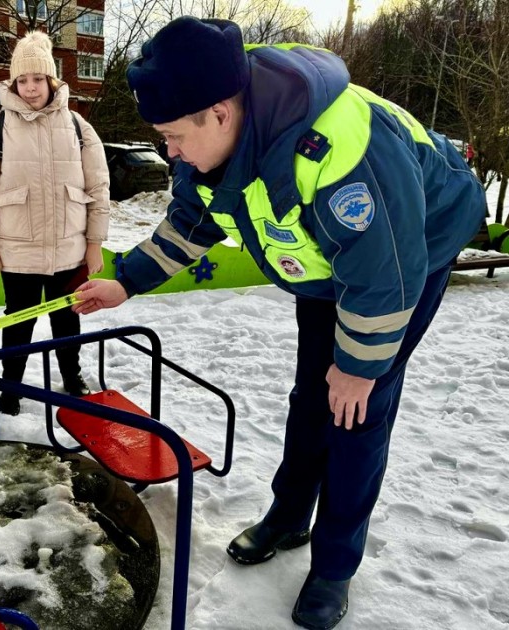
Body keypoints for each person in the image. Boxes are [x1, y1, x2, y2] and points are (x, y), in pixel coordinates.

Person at [72, 16, 486, 630]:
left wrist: (357, 368)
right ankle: (289, 516)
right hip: (324, 261)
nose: (170, 151)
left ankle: (334, 566)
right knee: (310, 396)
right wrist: (126, 279)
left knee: (356, 409)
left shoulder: (344, 151)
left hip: (409, 249)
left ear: (219, 111)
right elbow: (192, 220)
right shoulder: (208, 140)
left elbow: (384, 275)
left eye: (173, 136)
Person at [0, 30, 110, 416]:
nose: (30, 88)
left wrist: (94, 243)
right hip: (18, 252)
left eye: (38, 79)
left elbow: (98, 188)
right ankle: (10, 388)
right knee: (17, 324)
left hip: (69, 249)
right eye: (23, 80)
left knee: (67, 321)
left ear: (52, 80)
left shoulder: (79, 127)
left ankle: (72, 376)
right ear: (13, 83)